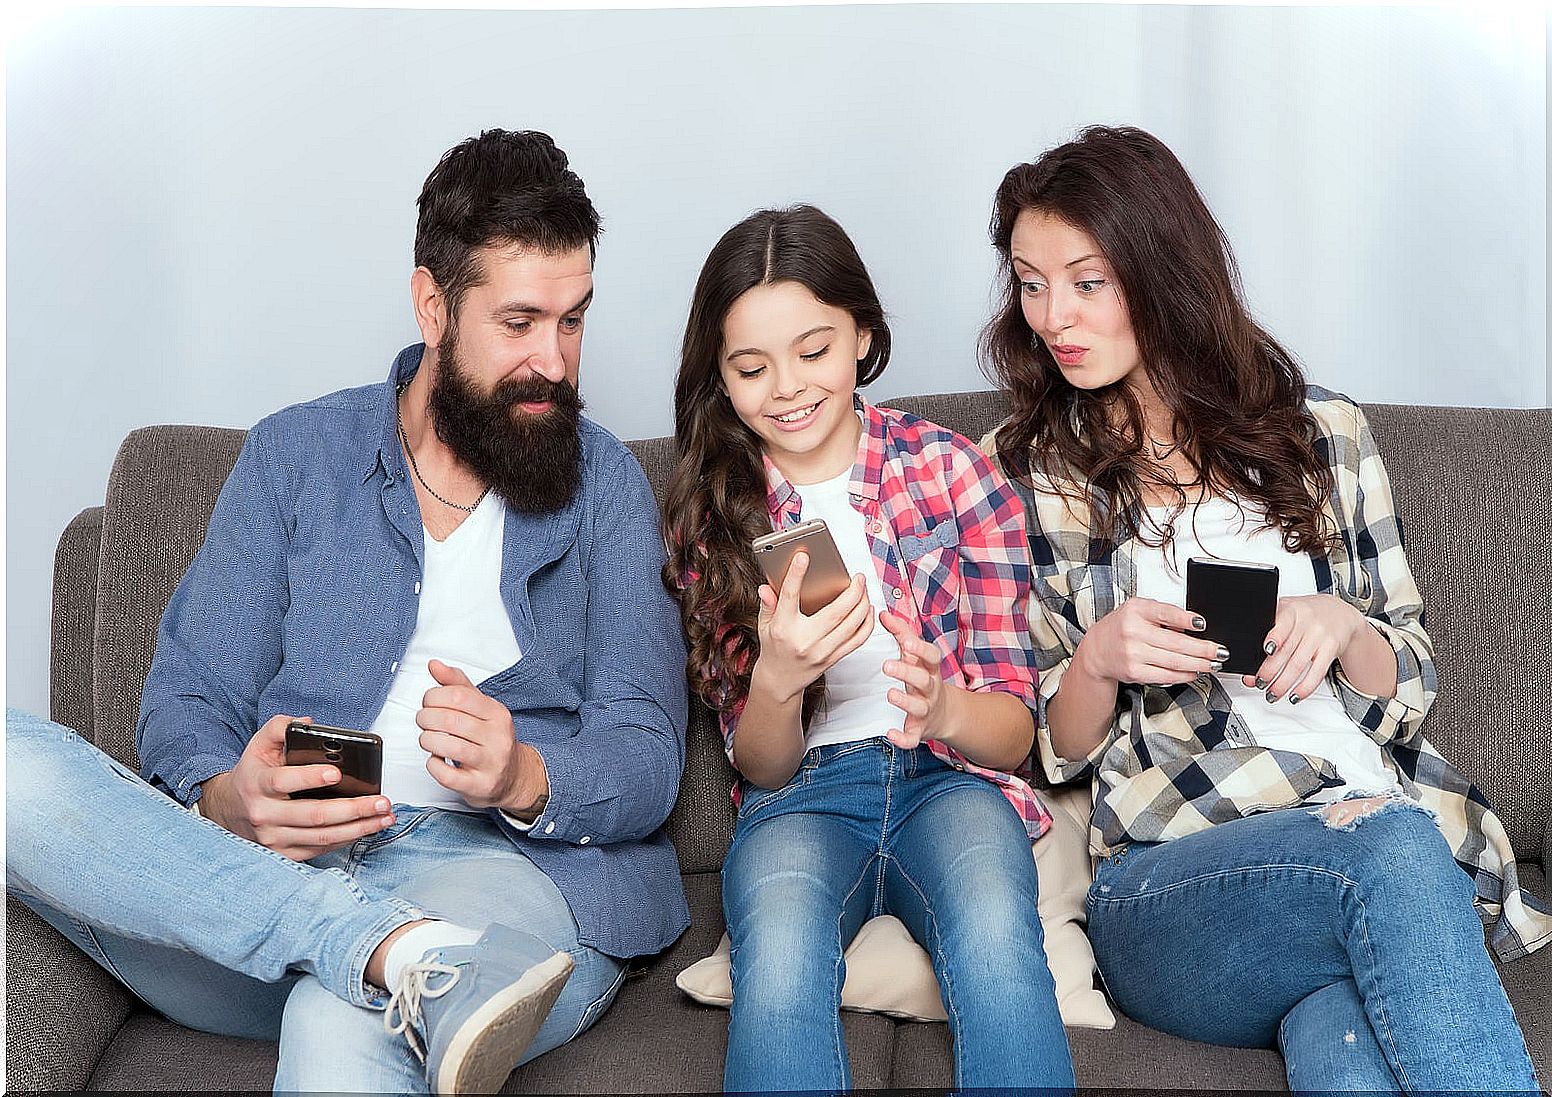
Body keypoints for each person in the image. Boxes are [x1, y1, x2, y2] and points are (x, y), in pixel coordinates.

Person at [6, 128, 690, 1096]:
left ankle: (396, 959)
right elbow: (187, 700)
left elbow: (648, 750)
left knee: (345, 1014)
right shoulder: (295, 457)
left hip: (495, 875)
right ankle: (387, 947)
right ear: (432, 304)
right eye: (521, 321)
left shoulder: (606, 486)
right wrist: (224, 797)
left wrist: (527, 772)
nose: (557, 361)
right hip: (266, 885)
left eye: (574, 321)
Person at [980, 124, 1546, 1091]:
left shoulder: (1325, 432)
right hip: (1176, 881)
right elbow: (1050, 747)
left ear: (1163, 271)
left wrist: (1345, 625)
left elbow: (1412, 676)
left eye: (1086, 280)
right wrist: (1099, 659)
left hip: (1373, 820)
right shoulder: (1027, 472)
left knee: (1349, 1044)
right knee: (1392, 851)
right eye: (1031, 283)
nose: (1053, 316)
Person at [661, 205, 1075, 1092]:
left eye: (813, 350)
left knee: (999, 933)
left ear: (862, 336)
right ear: (721, 378)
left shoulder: (954, 471)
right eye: (750, 367)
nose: (787, 387)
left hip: (947, 781)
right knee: (773, 954)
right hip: (803, 797)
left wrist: (947, 705)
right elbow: (762, 769)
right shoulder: (718, 510)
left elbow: (1014, 736)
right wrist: (776, 679)